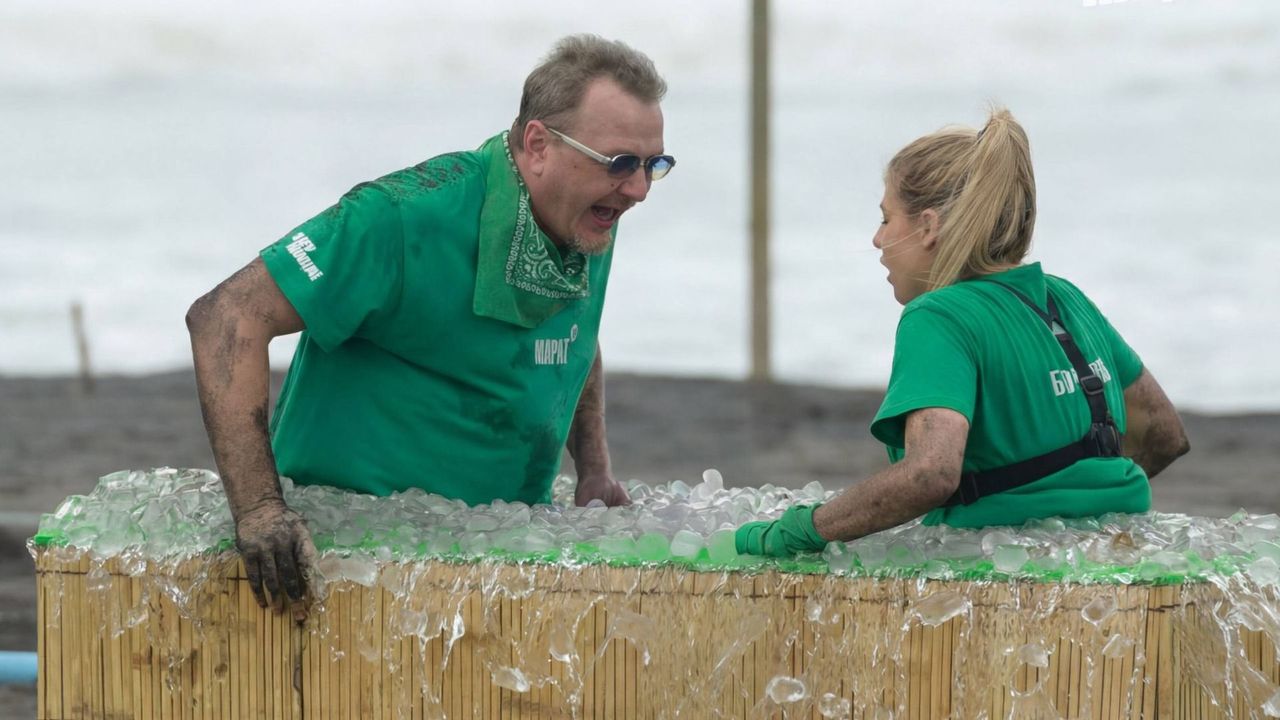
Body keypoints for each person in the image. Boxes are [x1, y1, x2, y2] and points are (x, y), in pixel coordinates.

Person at [186, 35, 674, 607]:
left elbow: (574, 334)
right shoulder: (401, 215)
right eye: (620, 163)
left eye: (653, 165)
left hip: (496, 561)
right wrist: (259, 510)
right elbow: (226, 316)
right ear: (539, 145)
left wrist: (593, 466)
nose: (639, 190)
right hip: (346, 562)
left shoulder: (589, 219)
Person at [736, 108, 1189, 557]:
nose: (877, 239)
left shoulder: (938, 316)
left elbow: (930, 474)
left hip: (1003, 570)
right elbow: (1165, 434)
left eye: (885, 219)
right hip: (1119, 551)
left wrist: (798, 532)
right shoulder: (1067, 299)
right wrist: (1084, 509)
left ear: (928, 227)